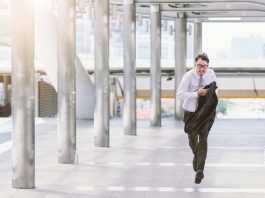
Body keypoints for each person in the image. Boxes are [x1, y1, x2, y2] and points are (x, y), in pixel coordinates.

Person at [176, 53, 217, 184]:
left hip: (205, 113)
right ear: (195, 65)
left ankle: (200, 170)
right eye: (199, 66)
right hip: (191, 113)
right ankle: (196, 155)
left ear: (207, 66)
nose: (202, 69)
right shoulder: (188, 76)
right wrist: (196, 94)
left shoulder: (211, 73)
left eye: (204, 66)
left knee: (204, 139)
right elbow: (180, 95)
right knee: (193, 140)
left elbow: (216, 90)